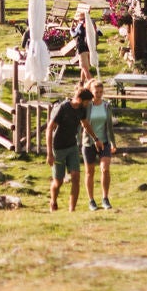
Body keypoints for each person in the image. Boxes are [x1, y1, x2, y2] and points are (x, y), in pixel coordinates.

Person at [46, 84, 94, 212]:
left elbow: (85, 124)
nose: (88, 104)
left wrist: (96, 138)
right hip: (59, 148)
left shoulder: (81, 109)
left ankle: (72, 210)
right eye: (87, 102)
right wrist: (49, 153)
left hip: (72, 146)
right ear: (80, 99)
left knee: (76, 176)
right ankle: (53, 201)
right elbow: (50, 128)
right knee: (59, 181)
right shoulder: (63, 108)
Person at [82, 78, 117, 210]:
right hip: (89, 142)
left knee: (105, 168)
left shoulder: (107, 106)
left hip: (105, 142)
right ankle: (91, 200)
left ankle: (105, 198)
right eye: (96, 92)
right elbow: (84, 125)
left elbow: (109, 127)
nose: (99, 94)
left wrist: (113, 143)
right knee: (89, 172)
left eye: (101, 92)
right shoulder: (87, 106)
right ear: (91, 92)